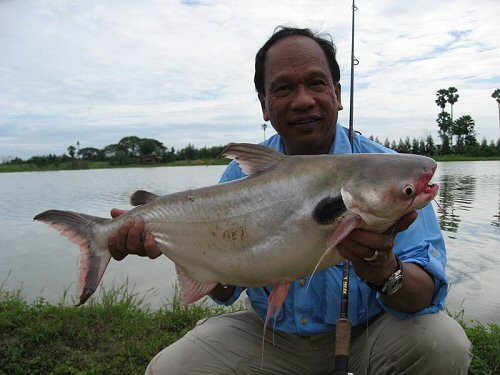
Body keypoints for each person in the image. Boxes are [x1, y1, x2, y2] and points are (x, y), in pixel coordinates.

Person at [108, 27, 472, 374]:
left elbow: (424, 297)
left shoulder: (386, 173)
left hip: (367, 334)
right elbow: (225, 288)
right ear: (265, 105)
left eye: (316, 83)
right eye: (283, 88)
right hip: (271, 337)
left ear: (338, 94)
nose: (302, 100)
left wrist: (383, 269)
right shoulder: (242, 175)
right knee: (170, 369)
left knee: (443, 343)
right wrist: (169, 243)